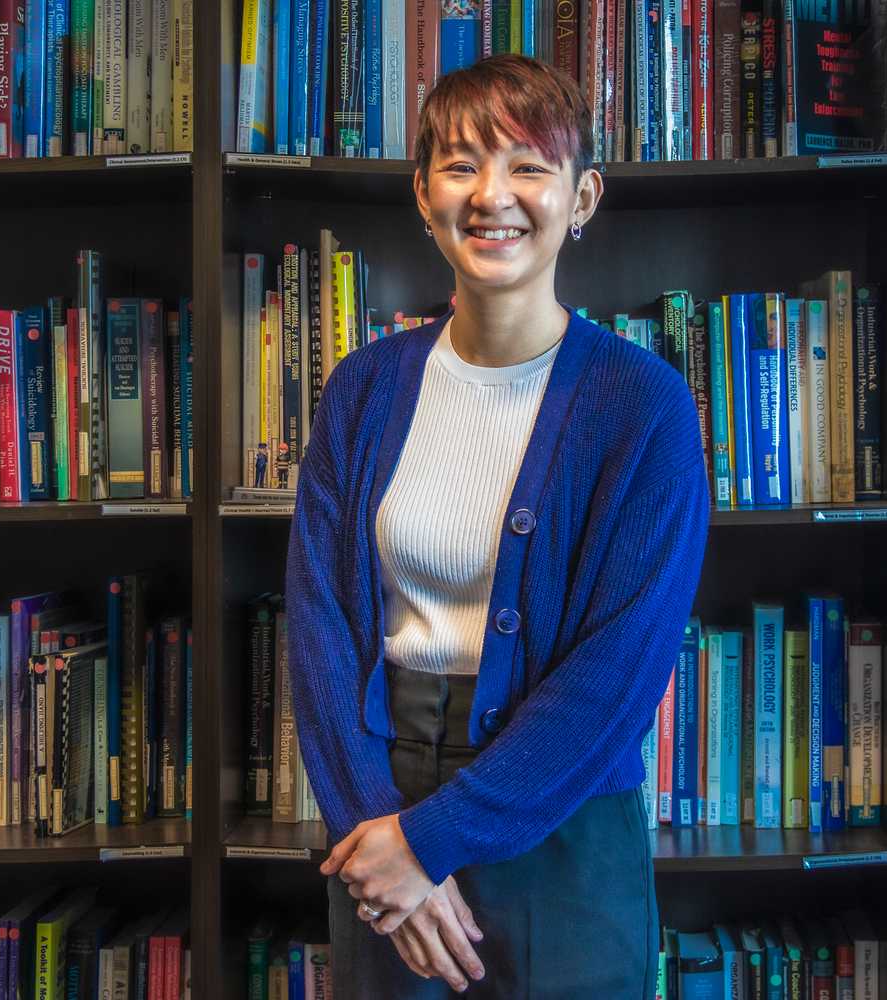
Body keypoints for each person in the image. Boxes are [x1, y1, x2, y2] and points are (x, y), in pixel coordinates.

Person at [285, 54, 708, 998]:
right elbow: (317, 628)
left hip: (563, 821)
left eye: (528, 165)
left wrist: (433, 842)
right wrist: (383, 842)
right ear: (423, 194)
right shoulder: (362, 391)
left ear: (583, 195)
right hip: (378, 806)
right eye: (461, 164)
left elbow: (620, 672)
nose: (493, 196)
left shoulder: (643, 407)